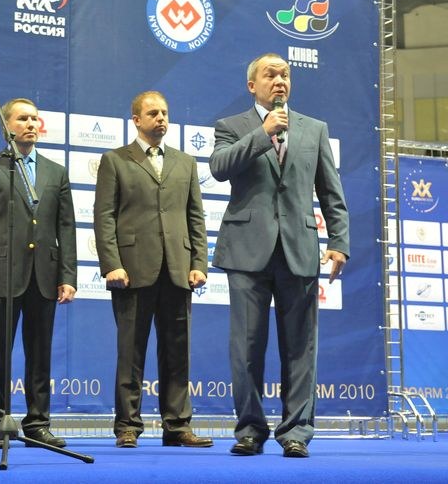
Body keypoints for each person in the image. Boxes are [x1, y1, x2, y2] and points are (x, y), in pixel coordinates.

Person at [209, 53, 349, 458]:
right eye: (270, 75)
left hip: (299, 248)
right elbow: (220, 168)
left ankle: (296, 432)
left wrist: (338, 241)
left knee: (301, 347)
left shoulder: (315, 130)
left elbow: (331, 193)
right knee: (247, 346)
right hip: (246, 251)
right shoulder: (231, 126)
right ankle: (250, 429)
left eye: (285, 74)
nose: (280, 81)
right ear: (252, 85)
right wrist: (263, 132)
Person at [94, 91, 212, 449]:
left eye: (164, 112)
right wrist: (112, 264)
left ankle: (177, 426)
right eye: (153, 113)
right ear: (136, 120)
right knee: (131, 352)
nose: (161, 118)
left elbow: (196, 217)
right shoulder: (115, 160)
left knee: (178, 351)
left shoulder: (185, 162)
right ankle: (127, 426)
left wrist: (199, 263)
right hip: (131, 271)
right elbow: (104, 218)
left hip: (178, 270)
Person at [0, 98, 76, 448]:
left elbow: (67, 226)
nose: (30, 124)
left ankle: (38, 423)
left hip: (44, 274)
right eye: (22, 118)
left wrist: (68, 275)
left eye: (35, 119)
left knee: (40, 354)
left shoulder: (56, 172)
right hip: (0, 276)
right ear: (7, 125)